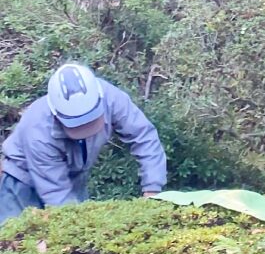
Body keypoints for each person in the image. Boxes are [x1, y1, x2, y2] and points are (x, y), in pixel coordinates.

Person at [0, 63, 166, 227]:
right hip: (22, 182)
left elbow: (144, 137)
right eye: (77, 125)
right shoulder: (38, 130)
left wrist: (152, 188)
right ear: (57, 115)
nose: (86, 130)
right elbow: (56, 193)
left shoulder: (111, 98)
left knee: (81, 238)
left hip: (75, 176)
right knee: (16, 240)